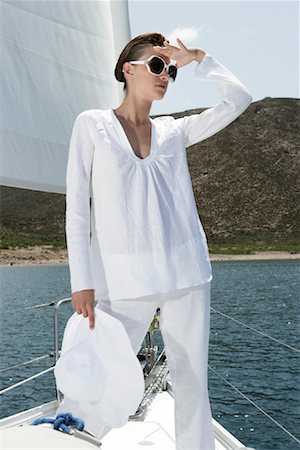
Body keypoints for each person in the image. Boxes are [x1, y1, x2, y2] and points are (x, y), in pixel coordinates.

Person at [65, 32, 252, 450]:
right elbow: (77, 208)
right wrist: (82, 280)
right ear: (127, 70)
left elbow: (238, 99)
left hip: (186, 275)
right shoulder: (92, 125)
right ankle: (75, 436)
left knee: (191, 379)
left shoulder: (173, 131)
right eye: (156, 65)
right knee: (102, 371)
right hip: (122, 280)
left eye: (169, 70)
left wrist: (199, 58)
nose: (165, 75)